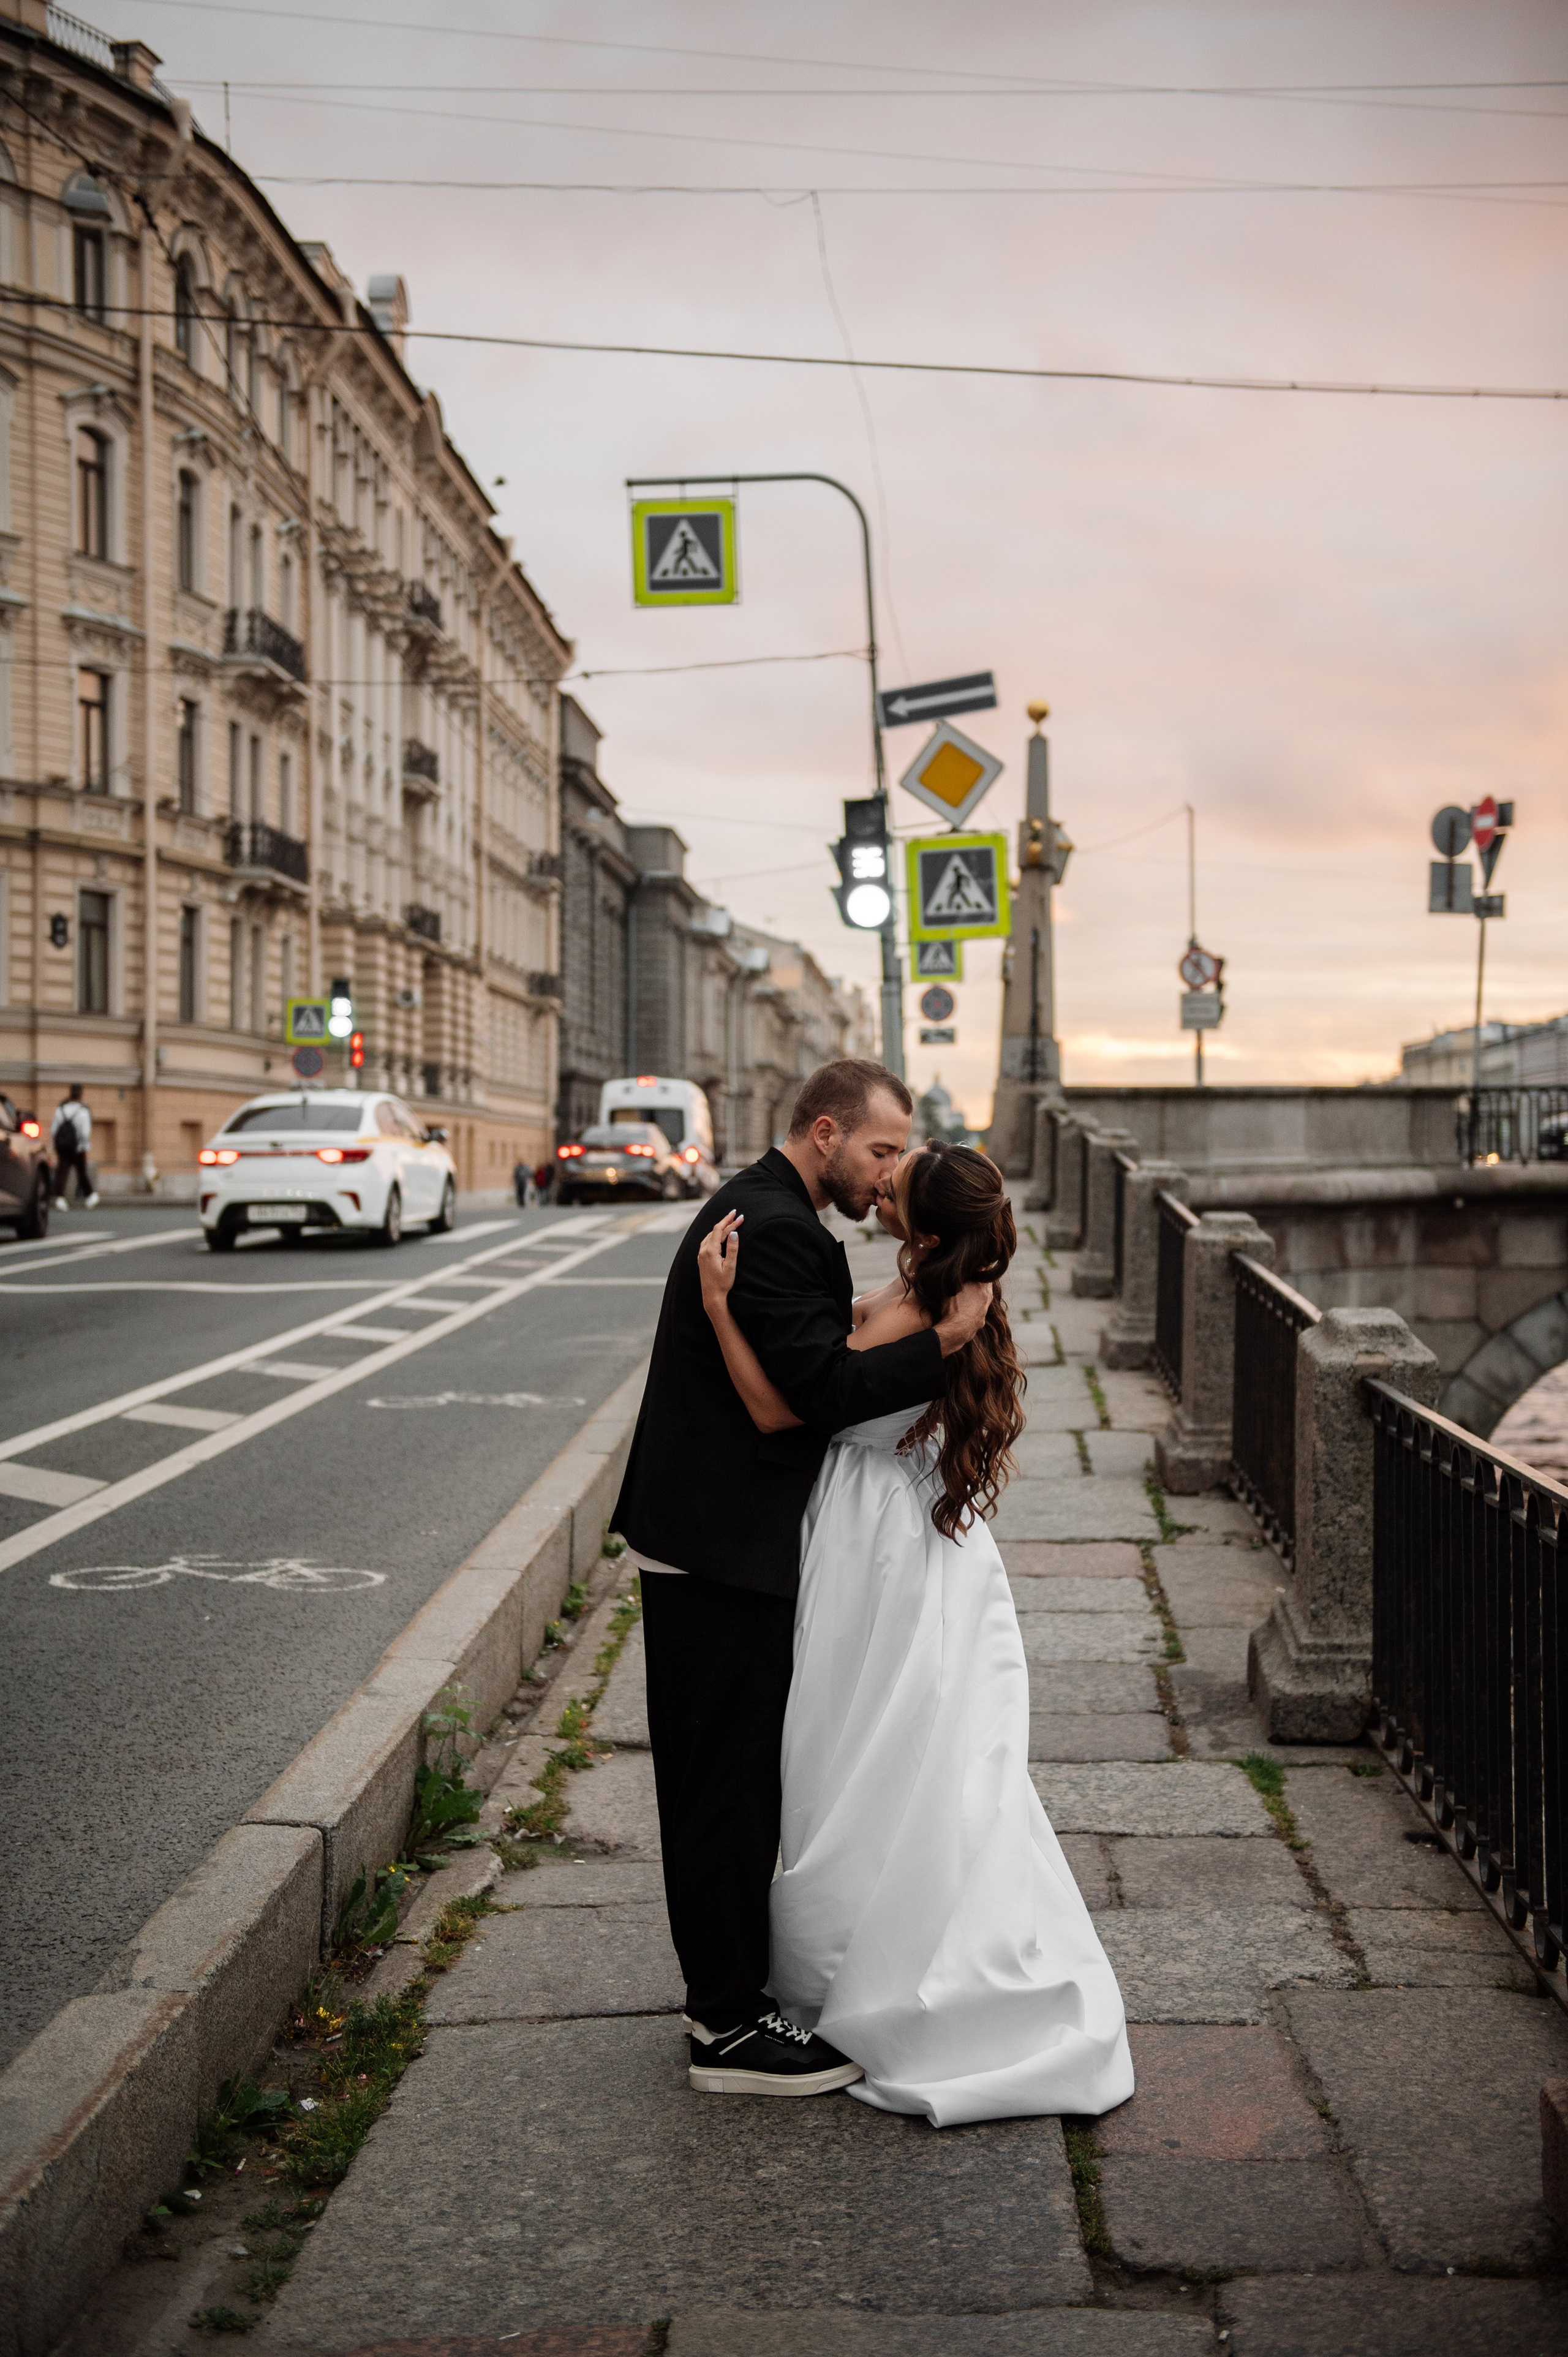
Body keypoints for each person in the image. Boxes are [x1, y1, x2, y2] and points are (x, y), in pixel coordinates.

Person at [697, 1138, 1134, 2127]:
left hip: (872, 1546)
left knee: (859, 1745)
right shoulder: (951, 1293)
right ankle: (894, 1930)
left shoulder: (915, 1308)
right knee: (927, 1749)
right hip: (930, 1536)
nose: (881, 1177)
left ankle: (868, 1962)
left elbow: (776, 1409)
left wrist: (722, 1307)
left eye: (898, 1176)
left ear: (924, 1228)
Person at [611, 1060, 993, 2099]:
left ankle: (733, 1996)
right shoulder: (778, 1227)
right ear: (824, 1132)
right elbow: (809, 1397)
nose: (884, 1176)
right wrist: (948, 1343)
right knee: (721, 1787)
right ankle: (727, 2024)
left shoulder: (766, 1209)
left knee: (732, 1777)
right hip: (720, 1544)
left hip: (721, 1535)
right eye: (877, 1150)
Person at [51, 1083, 98, 1209]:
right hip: (78, 1148)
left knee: (62, 1172)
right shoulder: (83, 1111)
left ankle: (60, 1198)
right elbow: (85, 1133)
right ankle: (90, 1196)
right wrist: (84, 1146)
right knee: (82, 1172)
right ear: (81, 1094)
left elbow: (54, 1130)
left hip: (64, 1147)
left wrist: (55, 1144)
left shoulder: (61, 1109)